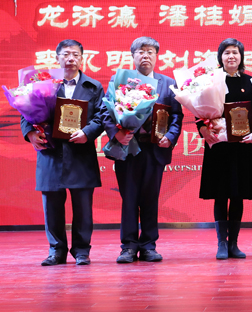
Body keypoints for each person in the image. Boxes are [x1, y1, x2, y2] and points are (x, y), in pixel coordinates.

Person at [21, 39, 105, 266]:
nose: (70, 59)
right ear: (57, 58)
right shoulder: (43, 84)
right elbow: (26, 112)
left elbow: (102, 116)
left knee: (83, 207)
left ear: (82, 59)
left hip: (81, 153)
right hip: (51, 152)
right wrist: (30, 133)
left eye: (75, 55)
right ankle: (56, 251)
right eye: (66, 54)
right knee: (52, 206)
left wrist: (87, 132)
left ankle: (81, 251)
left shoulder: (93, 86)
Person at [104, 37, 183, 263]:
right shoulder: (120, 81)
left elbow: (176, 116)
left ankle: (148, 245)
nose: (145, 55)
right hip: (128, 148)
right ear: (133, 56)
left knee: (150, 199)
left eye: (150, 51)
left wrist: (170, 137)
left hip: (154, 149)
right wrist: (117, 133)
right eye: (141, 51)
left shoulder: (167, 83)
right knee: (129, 198)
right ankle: (128, 246)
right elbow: (105, 112)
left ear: (157, 56)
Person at [198, 38, 252, 259]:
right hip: (218, 146)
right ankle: (221, 244)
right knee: (220, 194)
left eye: (235, 52)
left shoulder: (250, 82)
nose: (231, 56)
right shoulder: (211, 80)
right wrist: (202, 128)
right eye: (227, 53)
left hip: (242, 146)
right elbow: (200, 109)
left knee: (237, 194)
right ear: (220, 57)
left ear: (241, 56)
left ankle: (234, 243)